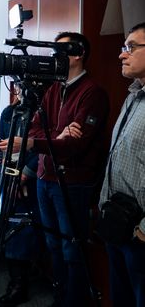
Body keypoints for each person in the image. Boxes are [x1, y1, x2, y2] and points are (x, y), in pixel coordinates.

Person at [0, 32, 110, 306]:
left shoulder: (92, 93)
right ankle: (60, 299)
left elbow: (75, 145)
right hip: (44, 178)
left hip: (72, 182)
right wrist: (57, 136)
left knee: (72, 248)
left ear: (78, 53)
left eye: (60, 50)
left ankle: (72, 302)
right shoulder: (54, 89)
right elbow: (37, 126)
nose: (53, 55)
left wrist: (37, 142)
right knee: (53, 245)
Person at [99, 22, 145, 307]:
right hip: (116, 221)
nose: (122, 54)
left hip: (140, 232)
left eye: (131, 47)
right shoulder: (132, 97)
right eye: (123, 47)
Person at [0, 84, 42, 307]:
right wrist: (10, 176)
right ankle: (15, 278)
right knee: (10, 225)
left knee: (24, 229)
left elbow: (42, 149)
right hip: (10, 175)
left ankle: (20, 284)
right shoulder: (9, 113)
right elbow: (3, 145)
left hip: (34, 178)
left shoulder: (43, 113)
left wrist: (23, 175)